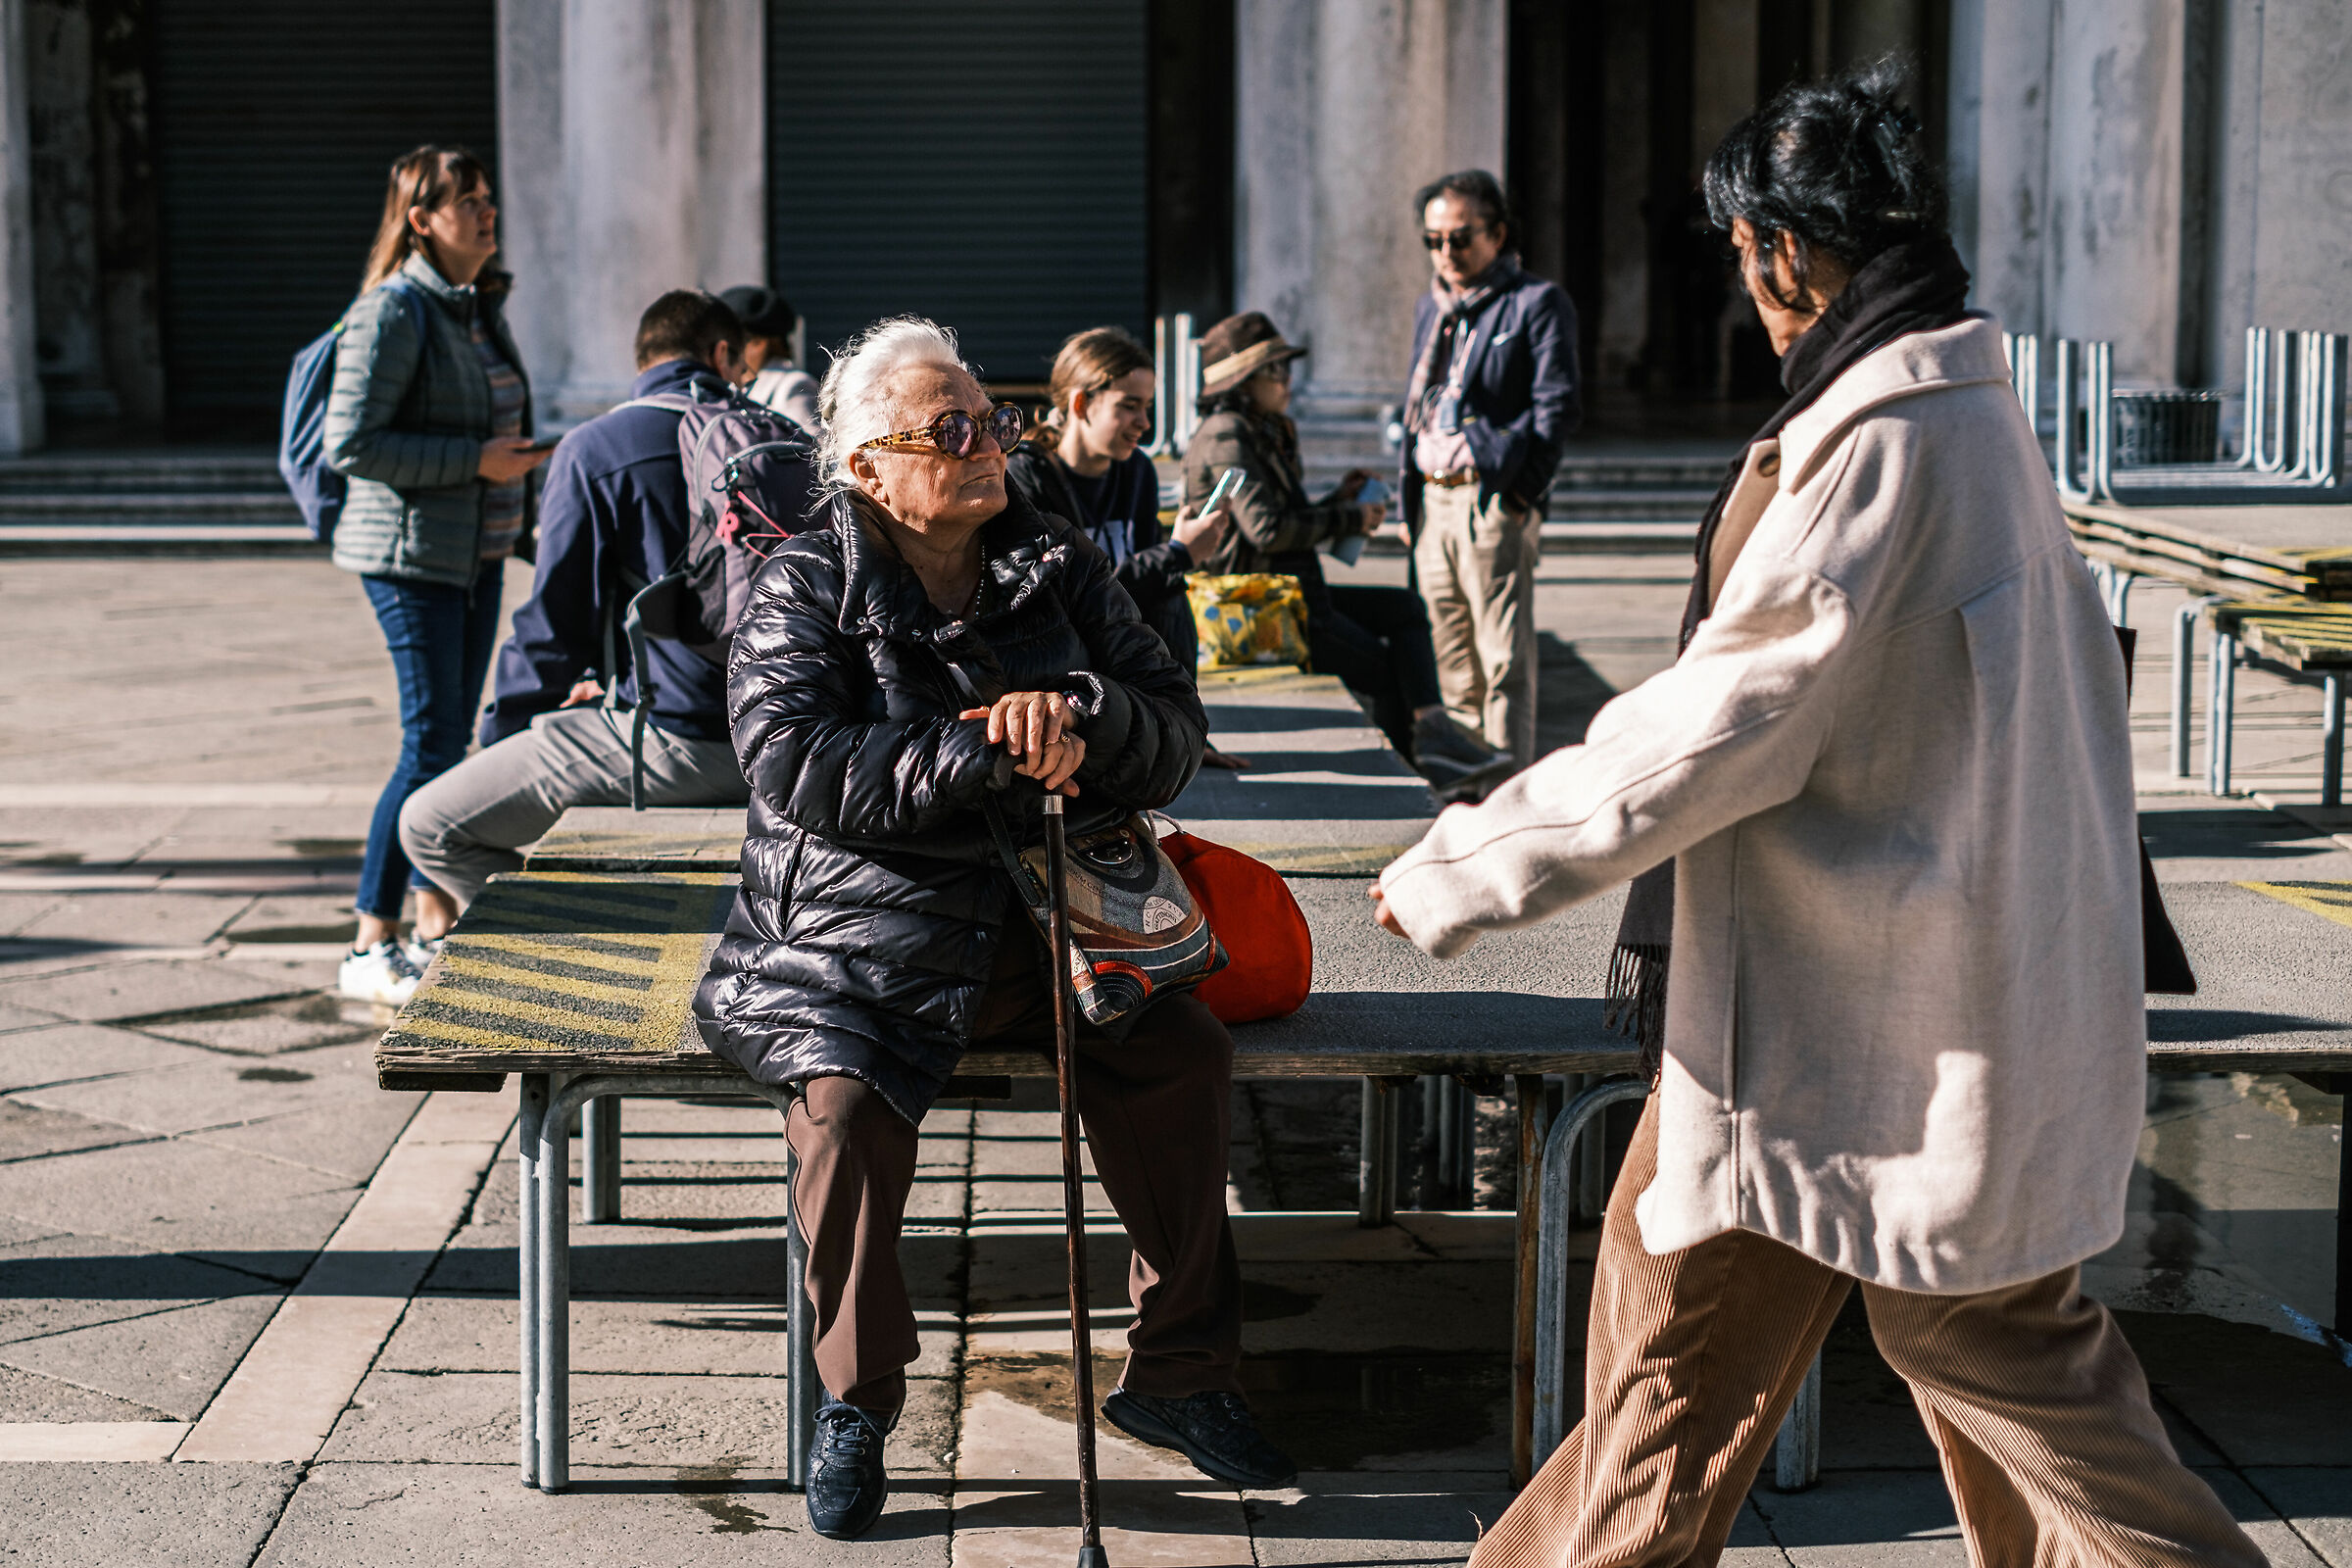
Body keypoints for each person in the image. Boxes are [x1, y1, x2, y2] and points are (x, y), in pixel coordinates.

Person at [1372, 66, 2263, 1568]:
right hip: (1875, 1006)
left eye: (1742, 251)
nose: (1741, 283)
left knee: (1901, 1358)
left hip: (1863, 1026)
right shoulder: (1955, 411)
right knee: (1720, 1351)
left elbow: (1724, 719)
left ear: (1790, 249)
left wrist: (1469, 861)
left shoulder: (1892, 438)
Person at [691, 317, 1296, 1541]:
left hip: (1045, 928)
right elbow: (795, 765)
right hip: (850, 947)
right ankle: (855, 1397)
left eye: (996, 421)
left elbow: (1174, 722)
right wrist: (980, 749)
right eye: (953, 429)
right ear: (867, 465)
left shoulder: (1056, 562)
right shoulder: (802, 583)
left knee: (1181, 1055)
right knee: (846, 1112)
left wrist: (1084, 713)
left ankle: (1182, 1372)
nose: (990, 448)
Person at [397, 291, 760, 923]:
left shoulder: (596, 448)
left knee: (430, 827)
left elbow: (553, 629)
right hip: (792, 734)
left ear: (644, 359)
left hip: (677, 741)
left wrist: (503, 735)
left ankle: (604, 938)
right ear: (722, 354)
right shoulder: (781, 441)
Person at [323, 144, 550, 1005]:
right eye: (469, 202)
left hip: (475, 553)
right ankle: (369, 937)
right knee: (430, 742)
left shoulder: (475, 307)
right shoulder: (395, 312)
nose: (488, 213)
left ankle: (428, 922)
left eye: (489, 199)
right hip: (410, 557)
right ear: (422, 219)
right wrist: (476, 462)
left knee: (447, 746)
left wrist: (516, 487)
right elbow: (353, 443)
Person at [1182, 311, 1511, 794]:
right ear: (1244, 381)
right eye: (1276, 370)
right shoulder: (1228, 435)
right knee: (1385, 669)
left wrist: (1337, 500)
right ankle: (1421, 778)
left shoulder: (1263, 428)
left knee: (1404, 608)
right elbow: (1268, 531)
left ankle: (1433, 732)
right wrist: (1348, 519)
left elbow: (1278, 519)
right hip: (1265, 602)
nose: (1287, 380)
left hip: (1297, 590)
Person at [1401, 170, 1581, 774]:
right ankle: (1465, 775)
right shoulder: (1436, 305)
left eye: (1460, 237)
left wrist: (1522, 493)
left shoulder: (1535, 303)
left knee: (1501, 655)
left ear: (1498, 233)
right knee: (1448, 648)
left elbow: (1556, 408)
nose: (1446, 252)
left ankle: (1507, 785)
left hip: (1491, 496)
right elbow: (1420, 399)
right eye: (1433, 240)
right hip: (1433, 499)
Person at [1004, 326, 1247, 767]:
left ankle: (1181, 728)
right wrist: (1177, 554)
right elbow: (1068, 598)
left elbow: (1140, 580)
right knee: (1169, 573)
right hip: (1060, 656)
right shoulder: (1027, 478)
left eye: (1148, 407)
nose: (1145, 423)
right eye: (1129, 406)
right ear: (1080, 404)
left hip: (1118, 649)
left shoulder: (1136, 470)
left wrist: (1175, 559)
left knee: (1172, 591)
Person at [719, 284, 822, 433]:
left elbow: (813, 450)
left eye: (726, 342)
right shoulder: (742, 388)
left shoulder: (792, 387)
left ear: (757, 343)